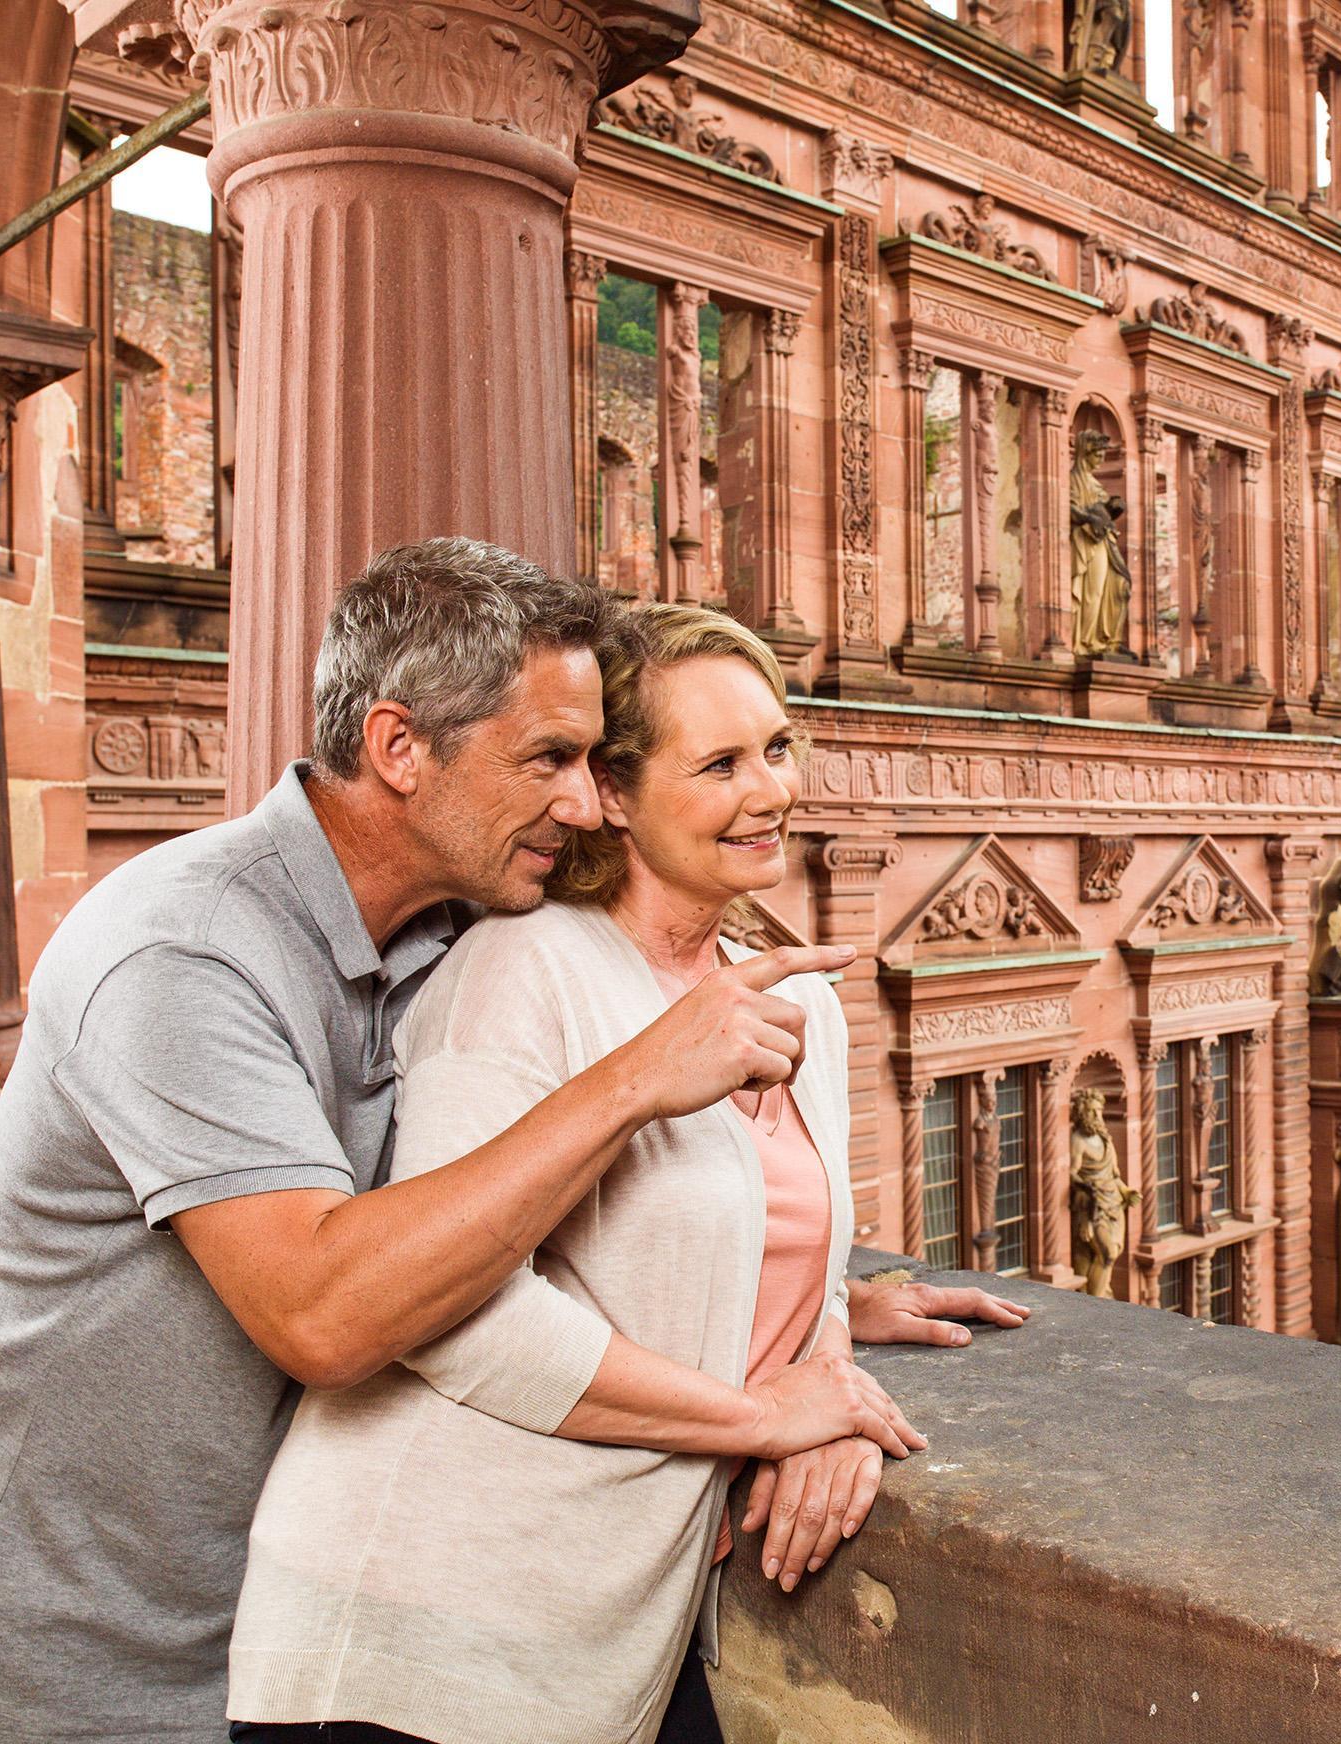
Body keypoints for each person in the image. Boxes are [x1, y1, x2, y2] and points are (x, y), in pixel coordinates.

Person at [0, 540, 1016, 1744]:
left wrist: (799, 1295)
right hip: (59, 1629)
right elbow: (325, 1311)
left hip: (250, 1606)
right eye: (547, 757)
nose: (577, 797)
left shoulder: (456, 926)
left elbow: (498, 1211)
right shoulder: (179, 952)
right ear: (399, 749)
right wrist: (636, 1087)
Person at [224, 603, 910, 1743]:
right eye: (723, 763)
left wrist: (834, 1388)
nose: (771, 789)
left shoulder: (806, 1003)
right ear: (619, 796)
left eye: (780, 747)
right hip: (411, 1630)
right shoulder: (522, 969)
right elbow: (461, 1323)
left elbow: (796, 1270)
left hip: (605, 1643)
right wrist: (758, 1419)